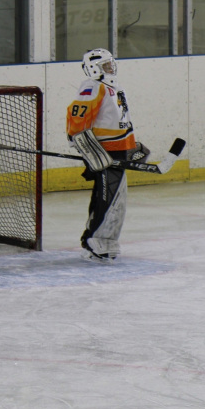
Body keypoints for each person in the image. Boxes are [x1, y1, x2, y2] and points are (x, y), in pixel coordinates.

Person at [66, 48, 150, 261]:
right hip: (105, 152)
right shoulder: (93, 86)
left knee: (115, 199)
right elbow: (77, 117)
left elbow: (119, 121)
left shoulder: (114, 87)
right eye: (105, 65)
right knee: (110, 200)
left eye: (111, 64)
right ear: (93, 68)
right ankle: (97, 242)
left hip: (119, 151)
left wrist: (131, 145)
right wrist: (85, 147)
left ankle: (98, 241)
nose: (110, 68)